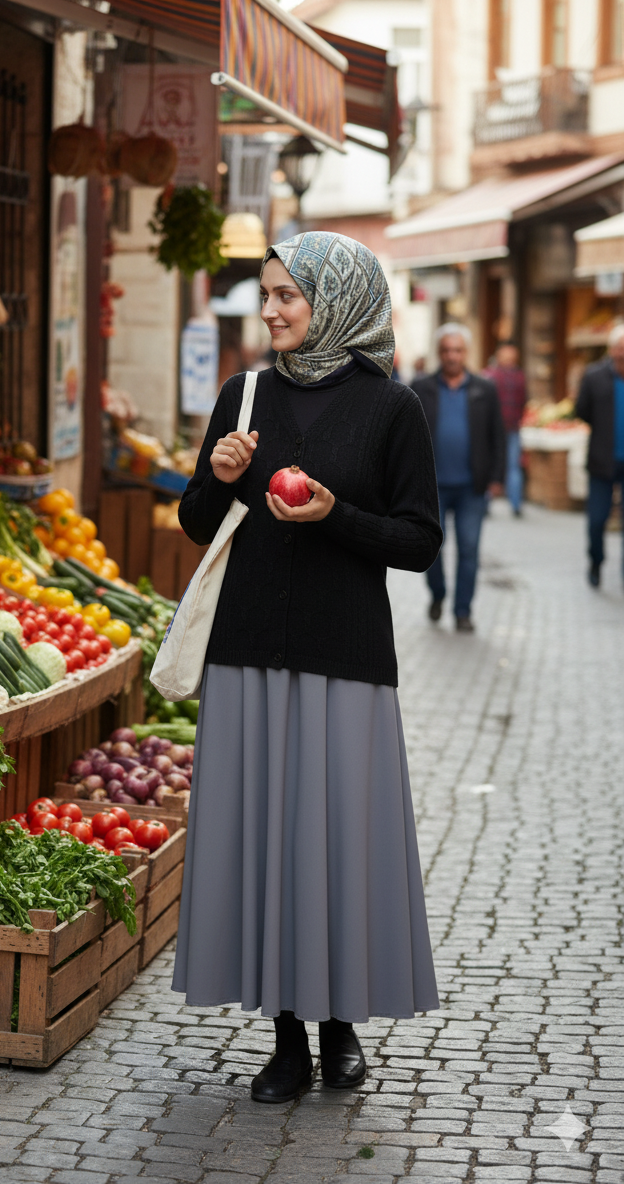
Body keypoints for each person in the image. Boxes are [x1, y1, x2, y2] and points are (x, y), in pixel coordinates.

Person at [172, 231, 442, 1104]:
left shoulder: (391, 408)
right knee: (265, 843)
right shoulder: (243, 396)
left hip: (346, 660)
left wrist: (333, 515)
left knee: (336, 847)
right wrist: (216, 478)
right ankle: (286, 1038)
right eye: (267, 294)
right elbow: (194, 520)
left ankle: (341, 1029)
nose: (273, 309)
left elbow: (419, 542)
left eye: (289, 294)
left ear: (339, 300)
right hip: (248, 654)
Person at [414, 324, 505, 632]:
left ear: (466, 353)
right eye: (447, 350)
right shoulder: (421, 387)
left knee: (469, 549)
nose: (452, 356)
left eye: (458, 350)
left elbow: (498, 435)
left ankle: (463, 610)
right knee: (432, 547)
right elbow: (407, 435)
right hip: (432, 486)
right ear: (439, 353)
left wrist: (497, 476)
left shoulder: (484, 389)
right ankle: (438, 594)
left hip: (471, 487)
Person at [575, 324, 624, 588]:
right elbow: (581, 409)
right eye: (619, 348)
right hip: (602, 460)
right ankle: (596, 561)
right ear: (612, 349)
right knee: (596, 520)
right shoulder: (594, 376)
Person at [484, 342, 527, 516]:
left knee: (490, 464)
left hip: (497, 428)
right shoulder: (520, 377)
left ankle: (486, 504)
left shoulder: (491, 375)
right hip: (511, 427)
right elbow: (524, 401)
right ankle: (516, 505)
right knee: (513, 467)